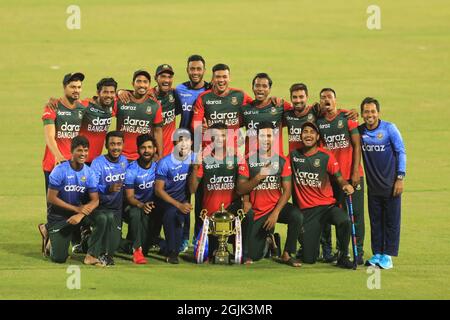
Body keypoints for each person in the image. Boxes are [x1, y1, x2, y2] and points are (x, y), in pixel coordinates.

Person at [237, 122, 303, 266]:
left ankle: (287, 254)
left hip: (275, 208)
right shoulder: (247, 160)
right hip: (257, 211)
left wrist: (276, 213)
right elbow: (240, 189)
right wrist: (258, 178)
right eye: (262, 136)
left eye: (269, 136)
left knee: (296, 215)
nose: (266, 139)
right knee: (254, 255)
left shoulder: (281, 161)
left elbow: (287, 191)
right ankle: (270, 240)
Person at [290, 122, 354, 268]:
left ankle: (343, 255)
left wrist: (345, 185)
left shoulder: (326, 156)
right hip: (308, 211)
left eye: (312, 132)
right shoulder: (293, 156)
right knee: (309, 259)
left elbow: (339, 178)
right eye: (305, 132)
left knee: (344, 220)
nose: (308, 135)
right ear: (300, 136)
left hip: (327, 207)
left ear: (318, 136)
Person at [189, 123, 253, 262]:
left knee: (248, 214)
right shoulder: (204, 159)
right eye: (216, 136)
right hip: (210, 217)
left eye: (223, 136)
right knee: (210, 255)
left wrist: (246, 201)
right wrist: (195, 168)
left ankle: (243, 253)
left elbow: (243, 185)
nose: (219, 139)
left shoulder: (237, 158)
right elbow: (192, 189)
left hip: (231, 210)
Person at [316, 88, 365, 264]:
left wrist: (355, 172)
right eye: (323, 98)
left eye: (329, 97)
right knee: (335, 215)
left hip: (352, 176)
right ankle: (335, 251)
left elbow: (357, 145)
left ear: (336, 100)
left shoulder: (347, 118)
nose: (326, 100)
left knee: (356, 215)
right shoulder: (319, 122)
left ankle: (358, 251)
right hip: (332, 178)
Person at [359, 97, 406, 269]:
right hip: (373, 188)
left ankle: (388, 256)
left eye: (372, 111)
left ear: (378, 112)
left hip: (391, 185)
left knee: (391, 221)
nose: (369, 115)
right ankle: (377, 253)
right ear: (362, 114)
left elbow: (401, 152)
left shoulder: (389, 129)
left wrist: (400, 178)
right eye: (366, 111)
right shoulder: (360, 132)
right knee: (375, 221)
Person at [45, 135, 99, 264]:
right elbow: (51, 198)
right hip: (59, 217)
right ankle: (49, 236)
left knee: (103, 217)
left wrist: (80, 214)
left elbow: (95, 200)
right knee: (59, 258)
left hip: (77, 216)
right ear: (72, 151)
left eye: (86, 150)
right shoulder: (59, 170)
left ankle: (91, 252)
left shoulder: (89, 172)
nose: (83, 154)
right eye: (79, 150)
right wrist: (76, 208)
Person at [155, 129, 195, 264]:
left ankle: (169, 247)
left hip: (183, 204)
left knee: (178, 216)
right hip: (165, 203)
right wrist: (178, 205)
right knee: (173, 213)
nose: (183, 144)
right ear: (174, 143)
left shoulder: (194, 159)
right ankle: (171, 253)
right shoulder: (165, 163)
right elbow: (158, 190)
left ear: (191, 142)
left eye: (187, 140)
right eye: (180, 140)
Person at [90, 131, 129, 266]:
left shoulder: (124, 161)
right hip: (100, 208)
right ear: (106, 145)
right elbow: (92, 187)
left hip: (117, 210)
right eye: (112, 144)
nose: (115, 147)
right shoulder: (98, 163)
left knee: (114, 245)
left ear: (123, 145)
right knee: (106, 249)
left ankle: (91, 242)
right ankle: (92, 246)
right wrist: (108, 188)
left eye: (119, 144)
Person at [123, 134, 158, 264]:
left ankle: (127, 245)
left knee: (147, 249)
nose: (146, 150)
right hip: (132, 207)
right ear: (138, 150)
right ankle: (137, 250)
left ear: (155, 149)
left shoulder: (158, 168)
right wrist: (142, 205)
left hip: (151, 208)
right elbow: (129, 197)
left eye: (149, 147)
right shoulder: (131, 169)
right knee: (136, 212)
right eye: (143, 148)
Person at [114, 70, 163, 161]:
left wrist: (159, 155)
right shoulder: (122, 100)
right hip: (121, 156)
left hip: (143, 157)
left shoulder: (155, 105)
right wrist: (119, 92)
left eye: (145, 82)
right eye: (138, 81)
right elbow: (106, 101)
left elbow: (158, 131)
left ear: (149, 85)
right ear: (133, 83)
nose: (141, 85)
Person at [240, 73, 292, 155]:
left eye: (264, 86)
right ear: (252, 88)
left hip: (275, 160)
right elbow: (231, 125)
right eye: (257, 86)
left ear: (269, 89)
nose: (260, 89)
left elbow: (298, 114)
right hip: (251, 161)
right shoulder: (245, 109)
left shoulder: (279, 105)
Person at [176, 54, 210, 130]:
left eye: (199, 69)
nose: (195, 72)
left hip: (203, 138)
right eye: (192, 69)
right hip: (184, 138)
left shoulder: (210, 90)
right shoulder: (179, 89)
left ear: (204, 70)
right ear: (187, 70)